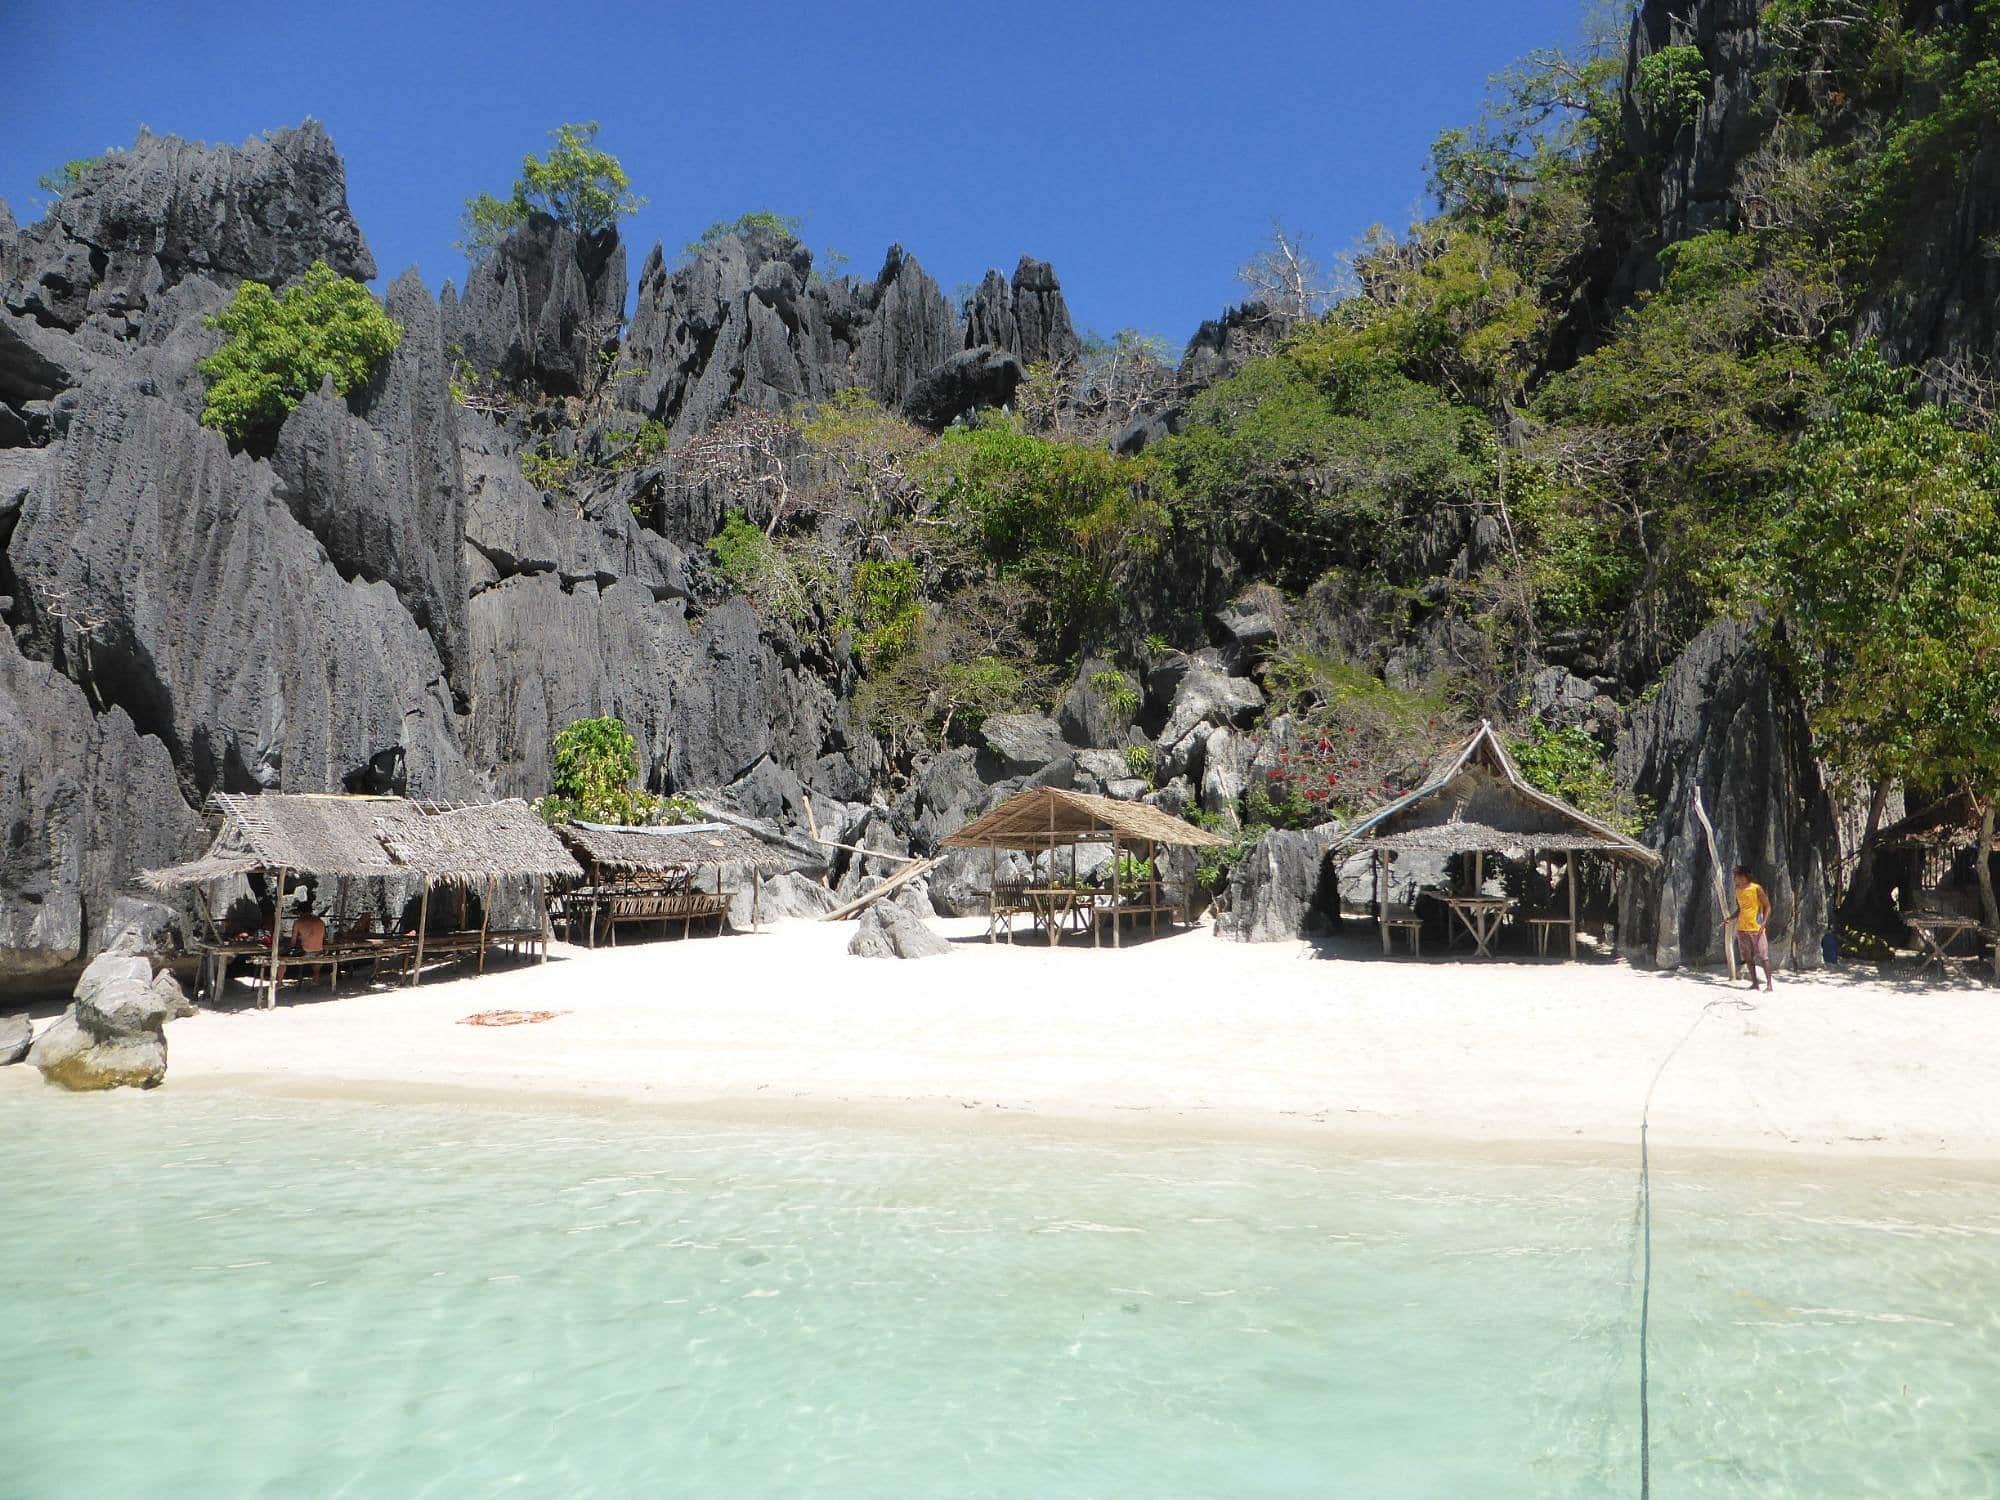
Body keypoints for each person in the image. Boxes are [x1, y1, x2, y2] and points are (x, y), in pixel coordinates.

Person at [1732, 865, 1774, 991]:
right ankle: (1755, 983)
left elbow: (1768, 906)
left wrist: (1764, 923)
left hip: (1756, 928)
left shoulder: (1756, 888)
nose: (1735, 879)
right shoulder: (1738, 890)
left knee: (1763, 956)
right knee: (1748, 958)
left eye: (1737, 876)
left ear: (1744, 876)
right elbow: (1740, 909)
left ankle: (1769, 984)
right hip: (1742, 928)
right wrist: (1730, 918)